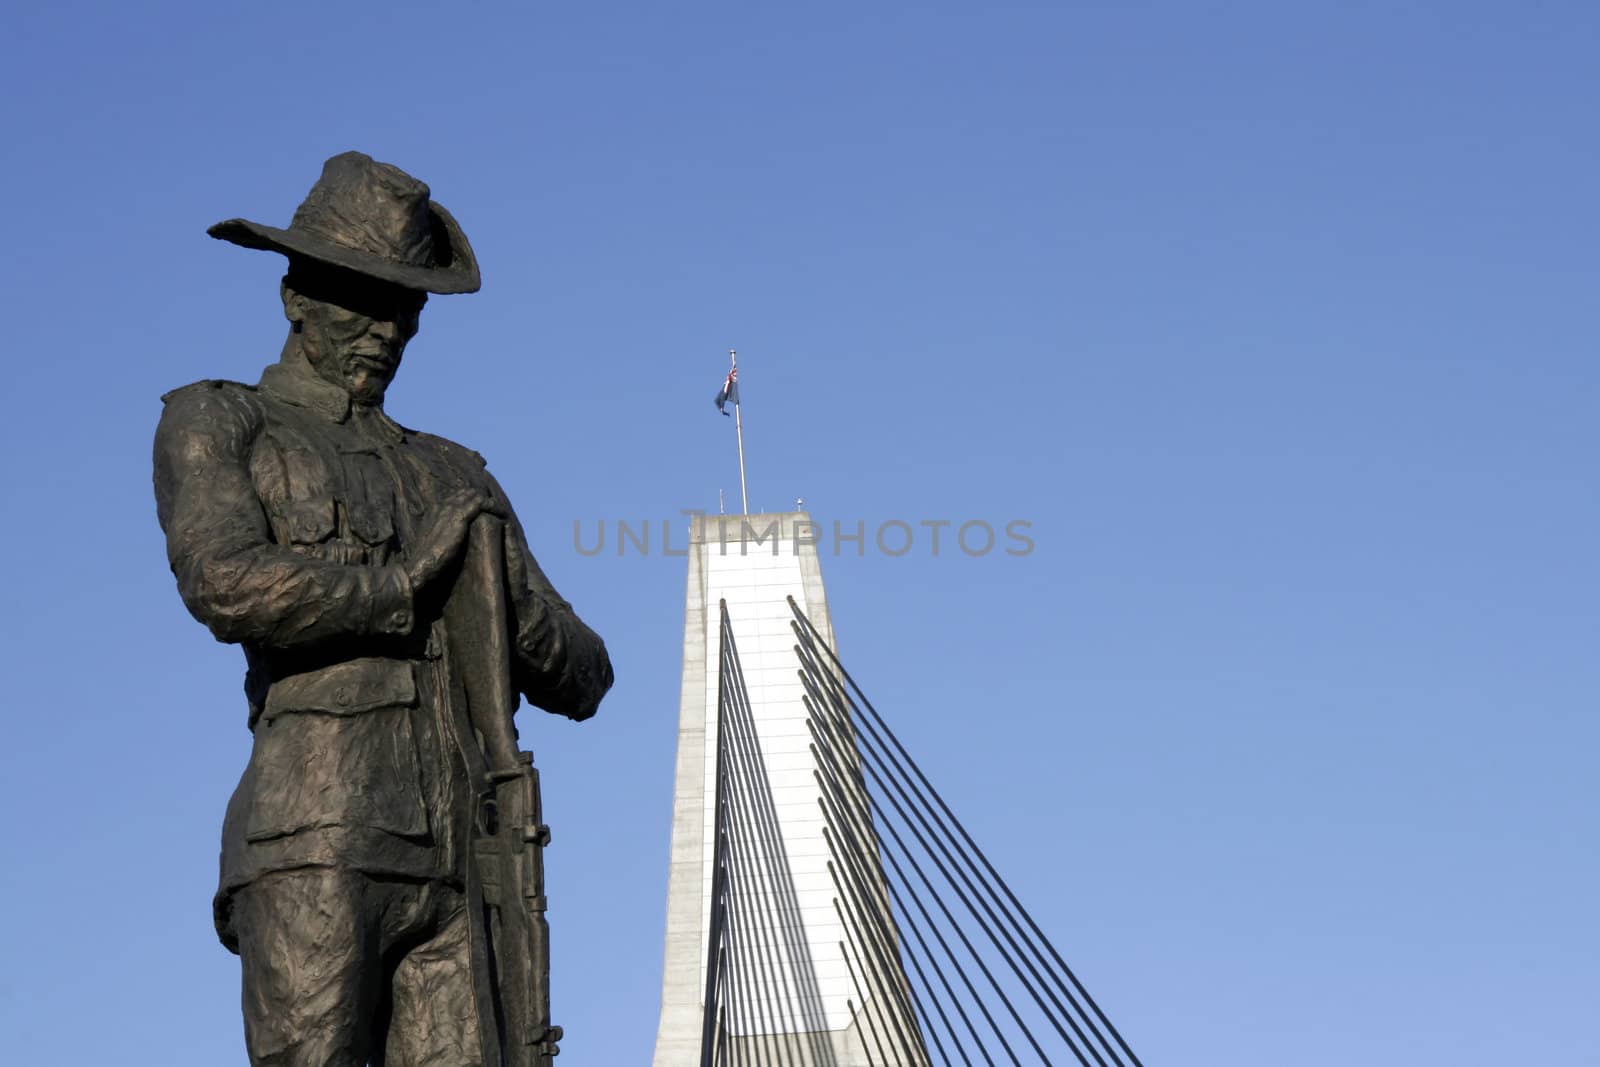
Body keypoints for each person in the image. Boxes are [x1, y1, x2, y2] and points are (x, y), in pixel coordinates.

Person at [152, 151, 612, 1066]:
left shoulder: (453, 473)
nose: (385, 329)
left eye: (405, 308)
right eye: (362, 301)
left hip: (458, 860)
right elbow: (225, 581)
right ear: (295, 296)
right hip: (315, 840)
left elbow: (585, 673)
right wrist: (406, 585)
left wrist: (504, 589)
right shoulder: (221, 420)